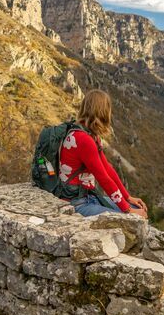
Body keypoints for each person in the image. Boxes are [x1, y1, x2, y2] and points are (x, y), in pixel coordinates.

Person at [59, 89, 148, 219]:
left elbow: (108, 169)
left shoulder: (90, 135)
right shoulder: (84, 140)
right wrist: (128, 210)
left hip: (88, 196)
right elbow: (104, 179)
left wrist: (127, 197)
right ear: (103, 112)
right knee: (136, 217)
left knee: (138, 209)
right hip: (77, 203)